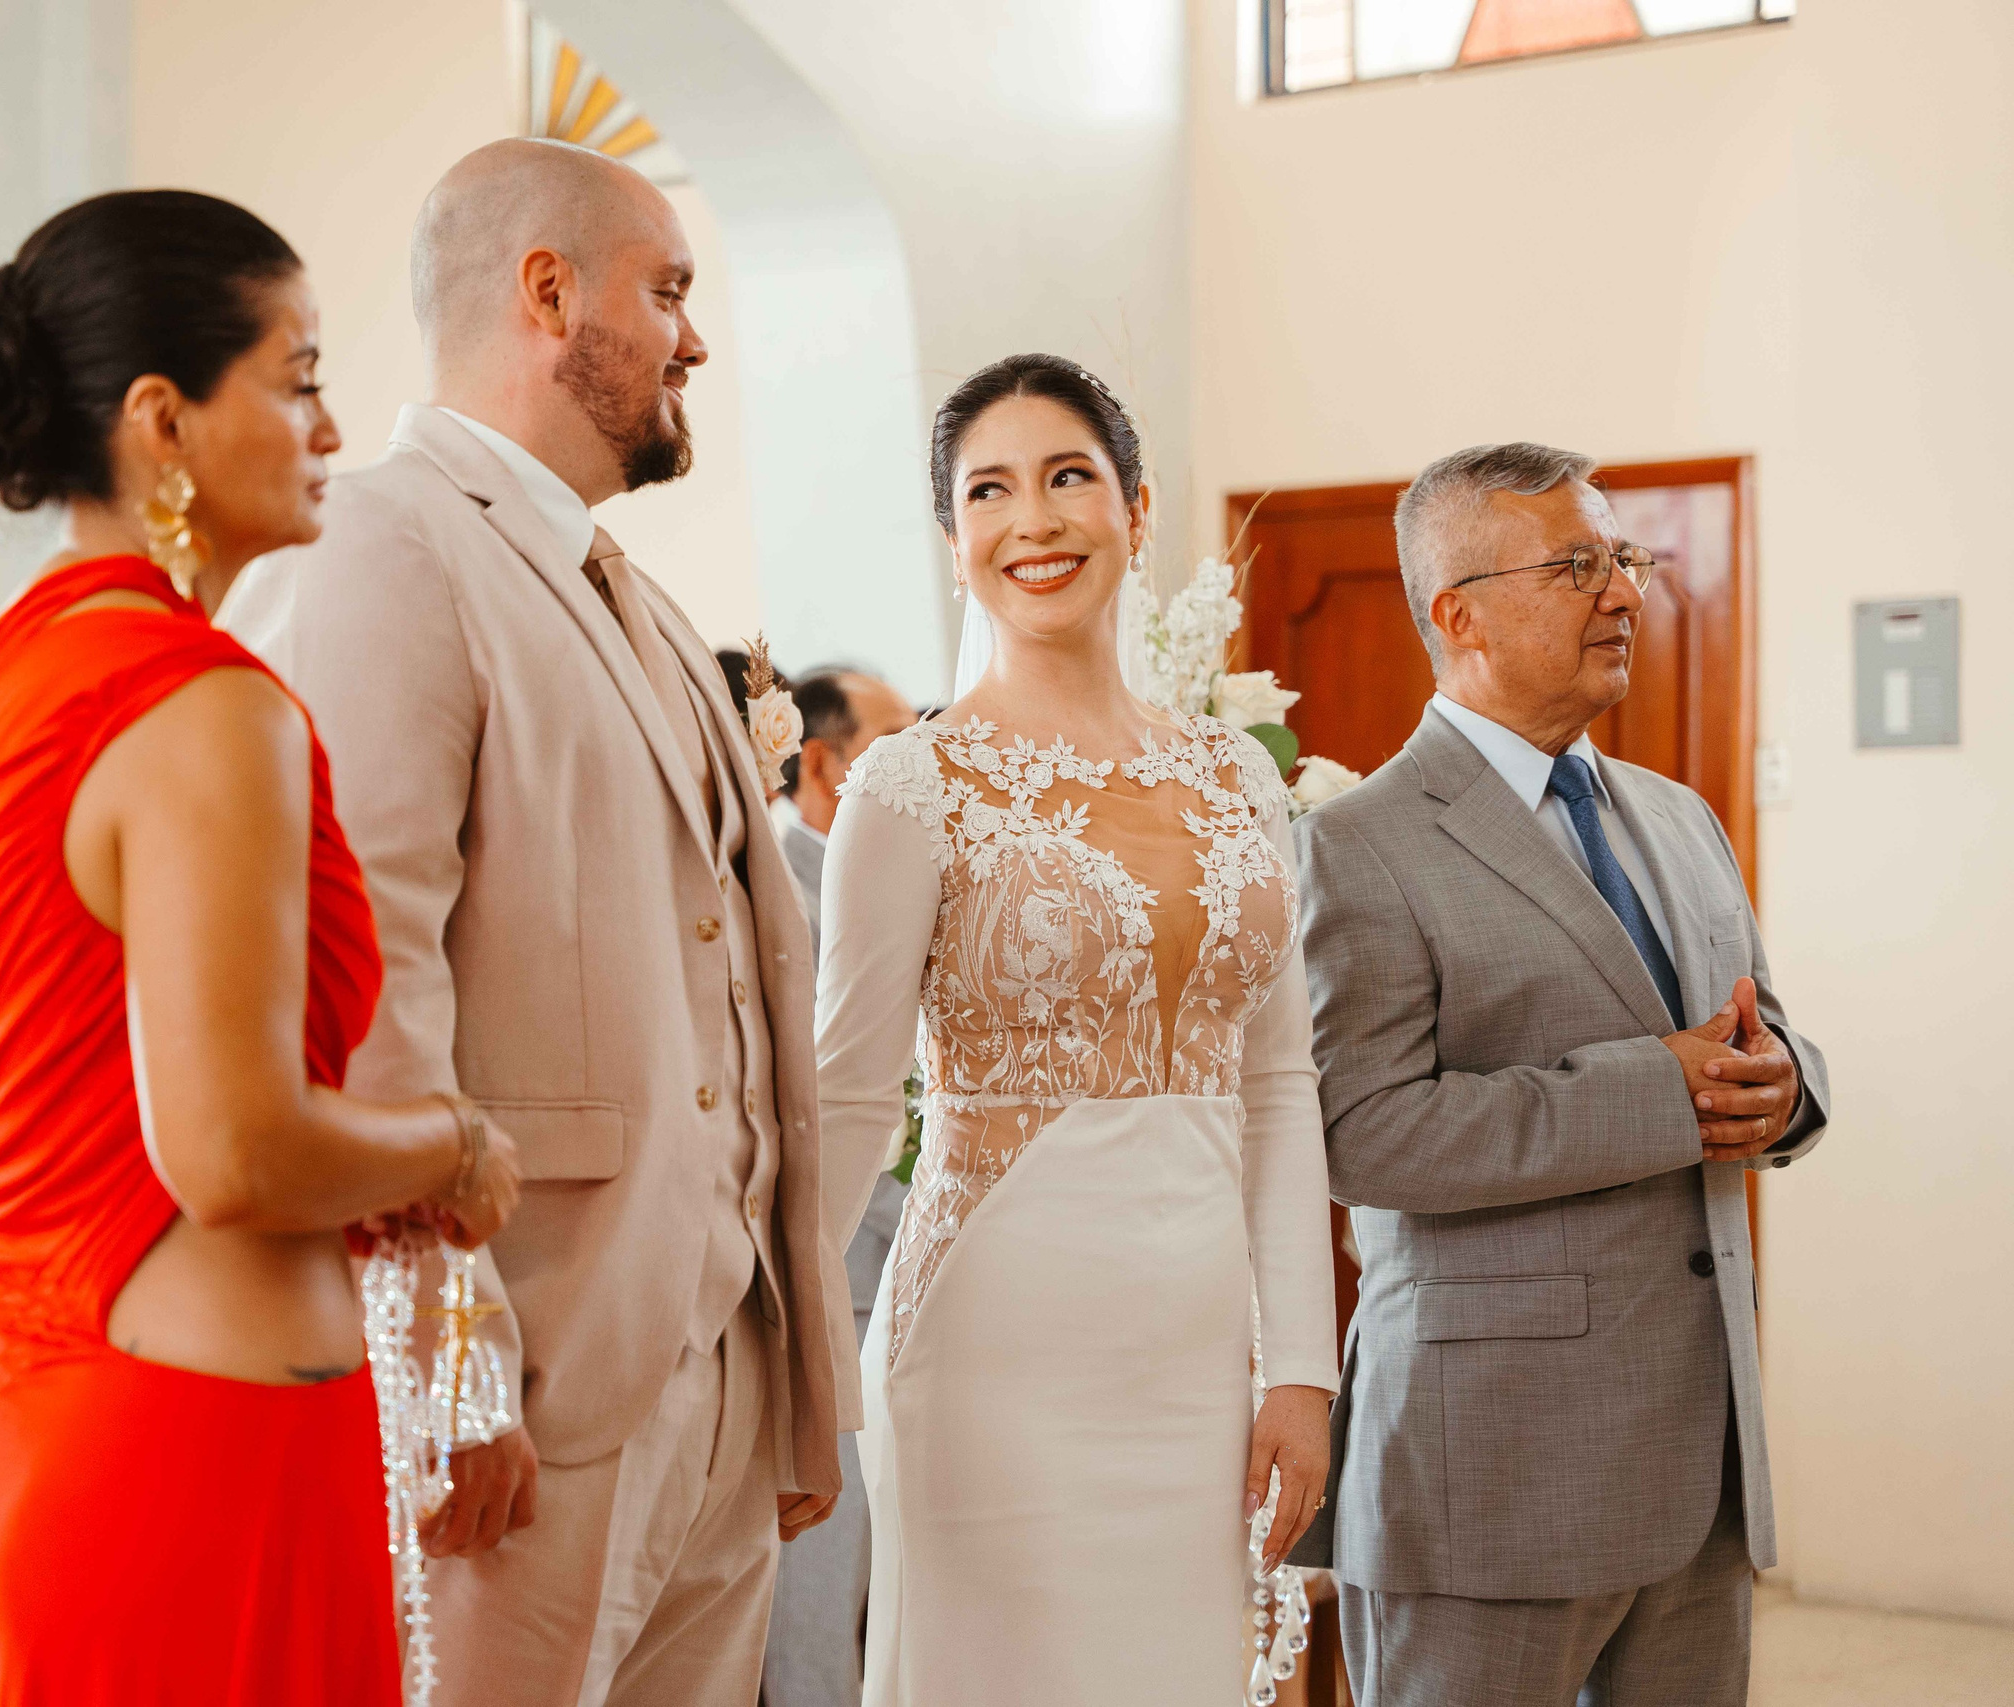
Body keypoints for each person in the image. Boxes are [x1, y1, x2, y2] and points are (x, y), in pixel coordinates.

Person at [219, 138, 848, 1707]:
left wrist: (784, 1373)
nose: (694, 339)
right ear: (549, 292)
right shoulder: (385, 540)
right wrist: (442, 1337)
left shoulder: (621, 582)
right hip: (536, 1355)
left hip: (711, 1354)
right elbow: (369, 974)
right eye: (670, 291)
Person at [0, 188, 520, 1707]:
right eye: (296, 377)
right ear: (163, 420)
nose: (328, 423)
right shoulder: (200, 703)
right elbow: (233, 1151)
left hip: (27, 1447)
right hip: (185, 1477)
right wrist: (449, 1142)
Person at [814, 354, 1338, 1705]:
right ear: (953, 541)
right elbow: (852, 1101)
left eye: (1068, 478)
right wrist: (787, 1362)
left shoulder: (1233, 775)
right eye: (989, 490)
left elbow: (1278, 1083)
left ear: (1137, 506)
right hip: (990, 1349)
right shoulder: (909, 782)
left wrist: (1301, 1365)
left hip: (1195, 1349)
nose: (1033, 521)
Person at [1287, 442, 1830, 1706]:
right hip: (1491, 1478)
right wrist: (1660, 1094)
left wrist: (1786, 1088)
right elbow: (1362, 1133)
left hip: (1700, 1462)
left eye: (1625, 559)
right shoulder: (1355, 846)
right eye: (1576, 564)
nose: (1625, 593)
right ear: (1456, 613)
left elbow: (1761, 1032)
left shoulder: (1679, 815)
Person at [761, 663, 917, 1707]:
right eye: (891, 739)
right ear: (822, 762)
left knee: (882, 1588)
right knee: (820, 1593)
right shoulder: (785, 890)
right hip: (846, 1271)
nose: (916, 758)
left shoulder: (901, 874)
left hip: (897, 1274)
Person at [775, 670, 916, 958]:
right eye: (897, 746)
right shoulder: (785, 906)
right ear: (819, 765)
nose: (921, 767)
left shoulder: (908, 870)